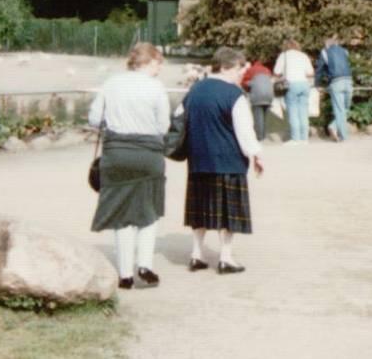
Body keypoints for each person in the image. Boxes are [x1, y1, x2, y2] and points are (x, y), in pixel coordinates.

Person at [88, 42, 171, 290]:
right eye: (158, 63)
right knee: (149, 209)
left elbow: (94, 118)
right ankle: (144, 264)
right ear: (146, 62)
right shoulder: (156, 87)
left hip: (117, 153)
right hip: (148, 154)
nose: (160, 68)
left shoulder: (111, 83)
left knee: (121, 213)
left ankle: (125, 274)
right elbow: (163, 126)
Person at [182, 45, 265, 274]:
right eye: (240, 68)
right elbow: (244, 131)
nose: (242, 74)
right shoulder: (234, 94)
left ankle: (196, 254)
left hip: (198, 160)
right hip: (228, 161)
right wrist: (256, 154)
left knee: (199, 210)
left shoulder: (195, 90)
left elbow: (179, 120)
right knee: (228, 212)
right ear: (227, 66)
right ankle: (226, 258)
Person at [273, 38, 315, 144]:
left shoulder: (284, 55)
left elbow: (276, 71)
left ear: (286, 46)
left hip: (292, 84)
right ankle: (304, 138)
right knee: (303, 112)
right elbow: (310, 72)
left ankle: (296, 138)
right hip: (305, 84)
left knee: (293, 112)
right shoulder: (303, 55)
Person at [318, 34, 354, 141]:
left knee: (340, 110)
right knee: (345, 108)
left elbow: (319, 70)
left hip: (335, 82)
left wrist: (317, 84)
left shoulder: (325, 52)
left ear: (327, 45)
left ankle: (337, 130)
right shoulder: (345, 51)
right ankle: (340, 132)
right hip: (348, 80)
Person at [241, 58, 275, 141]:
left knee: (258, 118)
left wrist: (248, 88)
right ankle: (265, 135)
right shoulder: (267, 70)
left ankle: (260, 138)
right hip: (269, 95)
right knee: (265, 117)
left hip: (257, 95)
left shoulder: (250, 70)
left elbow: (243, 83)